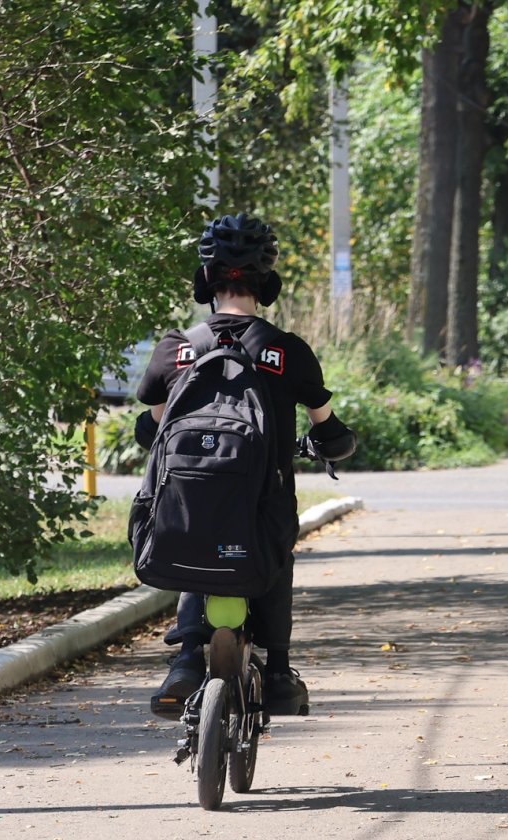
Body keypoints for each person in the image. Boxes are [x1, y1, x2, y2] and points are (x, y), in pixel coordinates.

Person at [132, 213, 356, 719]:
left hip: (185, 508)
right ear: (266, 283)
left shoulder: (177, 349)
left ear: (206, 279)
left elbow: (152, 429)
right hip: (264, 501)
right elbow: (331, 432)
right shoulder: (287, 351)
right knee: (273, 556)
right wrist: (332, 445)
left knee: (198, 527)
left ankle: (187, 657)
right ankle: (278, 671)